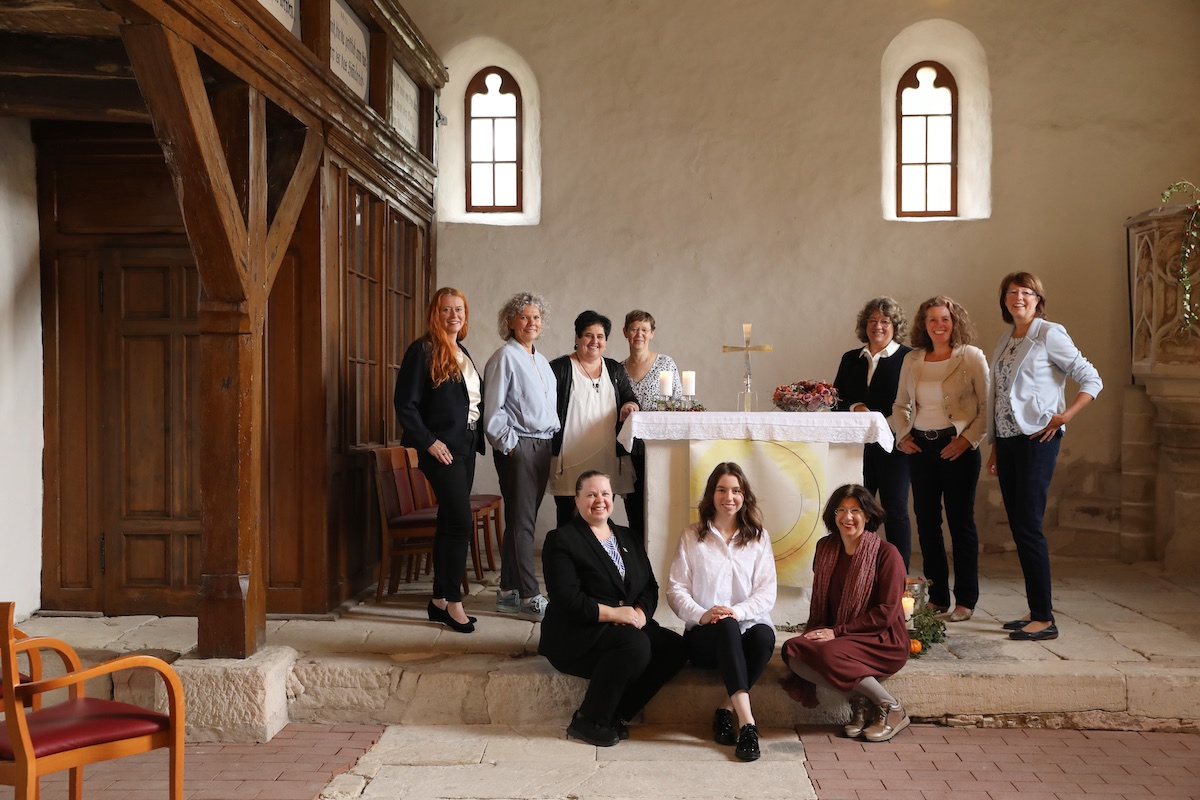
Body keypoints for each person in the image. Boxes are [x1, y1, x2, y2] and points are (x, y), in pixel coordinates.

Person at [986, 273, 1102, 642]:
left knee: (1029, 525)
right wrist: (994, 445)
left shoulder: (1050, 333)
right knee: (1020, 527)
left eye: (1026, 292)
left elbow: (1091, 378)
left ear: (1038, 299)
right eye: (1011, 292)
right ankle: (1036, 607)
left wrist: (1065, 416)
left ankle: (1044, 618)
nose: (1018, 297)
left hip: (1038, 439)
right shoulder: (1007, 338)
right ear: (1004, 300)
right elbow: (1001, 396)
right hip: (1007, 441)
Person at [539, 471, 688, 746]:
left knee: (675, 647)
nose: (599, 500)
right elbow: (566, 599)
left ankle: (619, 714)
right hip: (579, 633)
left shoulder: (628, 537)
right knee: (636, 645)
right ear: (577, 500)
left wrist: (641, 615)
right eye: (591, 494)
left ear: (613, 499)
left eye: (605, 494)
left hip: (628, 625)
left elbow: (649, 587)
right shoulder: (562, 539)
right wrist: (615, 614)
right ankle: (588, 719)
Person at [779, 485, 910, 743]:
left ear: (868, 516)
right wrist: (821, 631)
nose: (847, 517)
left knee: (827, 652)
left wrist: (837, 632)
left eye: (855, 511)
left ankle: (892, 707)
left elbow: (886, 613)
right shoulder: (826, 548)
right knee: (793, 651)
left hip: (881, 639)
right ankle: (859, 699)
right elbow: (824, 601)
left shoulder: (887, 554)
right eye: (841, 510)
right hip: (841, 635)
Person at [667, 462, 776, 762]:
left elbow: (767, 592)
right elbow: (675, 589)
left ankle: (725, 710)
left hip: (743, 627)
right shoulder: (693, 535)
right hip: (705, 640)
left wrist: (736, 611)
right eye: (722, 490)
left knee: (765, 636)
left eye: (736, 490)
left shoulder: (758, 537)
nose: (729, 497)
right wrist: (704, 615)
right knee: (725, 626)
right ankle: (749, 725)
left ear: (745, 496)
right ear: (711, 495)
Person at [891, 296, 989, 622]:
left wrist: (966, 440)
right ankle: (937, 598)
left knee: (961, 524)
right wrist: (902, 436)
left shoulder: (971, 357)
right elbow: (900, 404)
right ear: (924, 325)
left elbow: (987, 407)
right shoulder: (913, 359)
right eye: (932, 320)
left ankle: (966, 600)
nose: (939, 325)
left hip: (958, 448)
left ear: (954, 321)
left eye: (945, 319)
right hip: (921, 449)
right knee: (927, 524)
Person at [394, 287, 485, 634]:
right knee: (461, 522)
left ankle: (437, 602)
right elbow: (405, 404)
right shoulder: (424, 349)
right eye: (447, 310)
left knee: (450, 521)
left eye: (459, 309)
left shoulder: (461, 351)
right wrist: (429, 442)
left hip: (465, 444)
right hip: (440, 448)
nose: (454, 315)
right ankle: (453, 602)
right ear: (436, 313)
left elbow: (469, 401)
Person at [484, 292, 560, 621]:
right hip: (520, 447)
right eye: (525, 317)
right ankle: (530, 594)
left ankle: (506, 592)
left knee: (518, 518)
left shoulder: (541, 361)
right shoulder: (505, 357)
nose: (532, 323)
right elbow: (493, 409)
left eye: (537, 318)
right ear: (511, 322)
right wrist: (510, 445)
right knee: (524, 524)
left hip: (542, 445)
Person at [833, 296, 914, 569]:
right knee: (856, 511)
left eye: (885, 321)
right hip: (856, 448)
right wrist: (855, 406)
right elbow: (835, 400)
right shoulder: (850, 359)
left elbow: (915, 401)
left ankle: (897, 574)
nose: (877, 326)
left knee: (896, 513)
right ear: (864, 325)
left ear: (895, 326)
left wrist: (889, 423)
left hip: (895, 448)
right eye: (872, 321)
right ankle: (859, 569)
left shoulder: (909, 357)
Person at [549, 311, 639, 528]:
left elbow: (630, 398)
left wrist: (629, 406)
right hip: (570, 458)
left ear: (606, 342)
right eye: (589, 335)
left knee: (600, 515)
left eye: (600, 336)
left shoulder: (614, 369)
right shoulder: (560, 368)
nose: (594, 341)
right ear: (577, 338)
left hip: (607, 456)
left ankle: (596, 560)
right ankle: (568, 560)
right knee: (569, 518)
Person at [622, 309, 682, 537]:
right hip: (628, 446)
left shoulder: (665, 364)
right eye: (634, 329)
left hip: (658, 443)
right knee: (634, 503)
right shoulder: (618, 369)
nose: (639, 334)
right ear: (625, 332)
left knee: (658, 501)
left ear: (652, 334)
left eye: (644, 330)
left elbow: (677, 404)